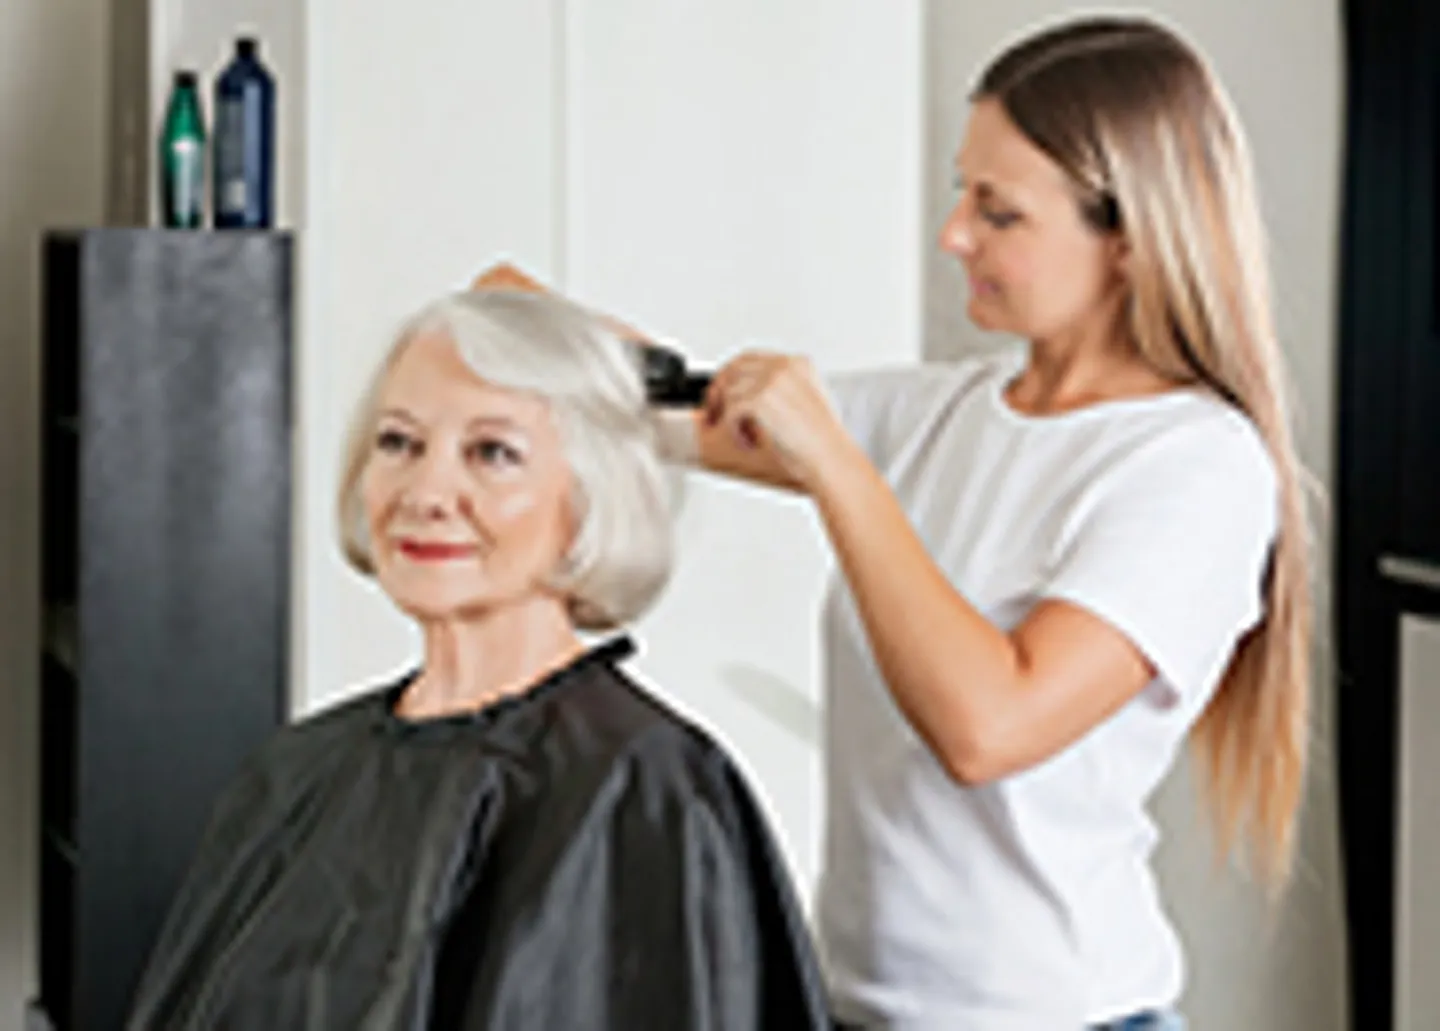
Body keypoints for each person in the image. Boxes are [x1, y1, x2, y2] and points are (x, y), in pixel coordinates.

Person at [658, 15, 1314, 1031]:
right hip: (860, 1009)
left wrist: (833, 462)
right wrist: (521, 339)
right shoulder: (950, 410)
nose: (953, 232)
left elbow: (989, 725)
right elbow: (661, 420)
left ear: (1130, 242)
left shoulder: (1195, 464)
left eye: (997, 210)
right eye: (962, 191)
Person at [125, 289, 832, 1029]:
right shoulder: (296, 771)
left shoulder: (645, 790)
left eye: (492, 452)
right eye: (398, 442)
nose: (426, 491)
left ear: (586, 501)